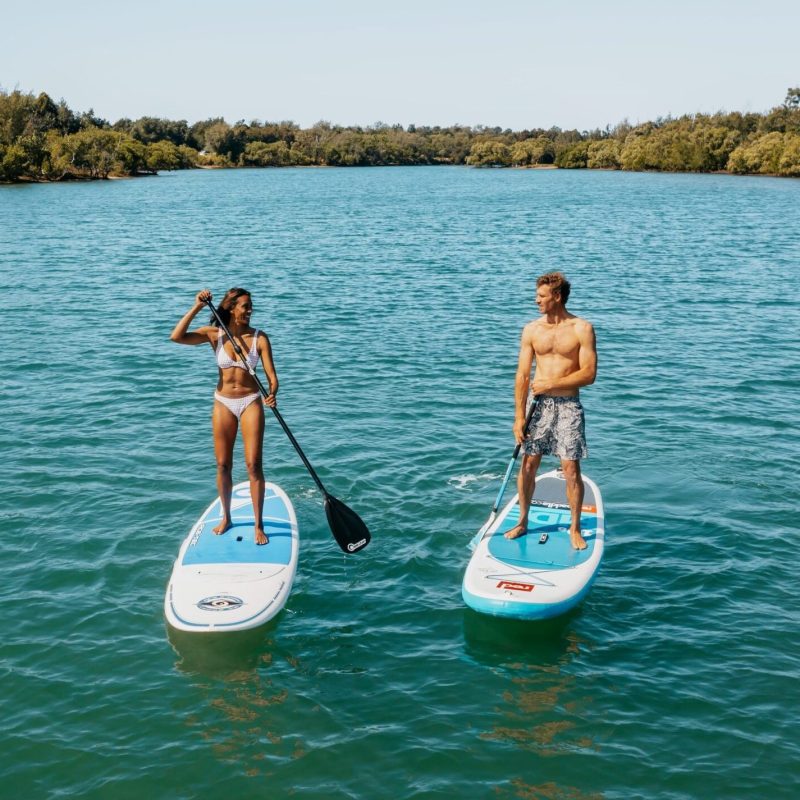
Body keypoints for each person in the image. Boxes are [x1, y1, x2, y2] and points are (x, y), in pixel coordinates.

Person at [170, 288, 279, 545]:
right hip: (223, 403)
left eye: (251, 306)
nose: (250, 310)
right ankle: (227, 517)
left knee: (253, 465)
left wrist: (272, 393)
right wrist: (197, 305)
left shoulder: (259, 338)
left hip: (251, 401)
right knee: (223, 465)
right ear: (231, 308)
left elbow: (272, 378)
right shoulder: (215, 335)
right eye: (245, 306)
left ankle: (258, 524)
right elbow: (176, 337)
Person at [504, 272, 597, 549]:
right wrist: (518, 417)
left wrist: (551, 383)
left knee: (570, 468)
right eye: (537, 296)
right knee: (528, 464)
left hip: (568, 406)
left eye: (541, 296)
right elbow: (522, 376)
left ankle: (575, 528)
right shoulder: (532, 330)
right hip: (539, 407)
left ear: (556, 297)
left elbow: (589, 374)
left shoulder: (582, 328)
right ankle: (522, 521)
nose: (536, 301)